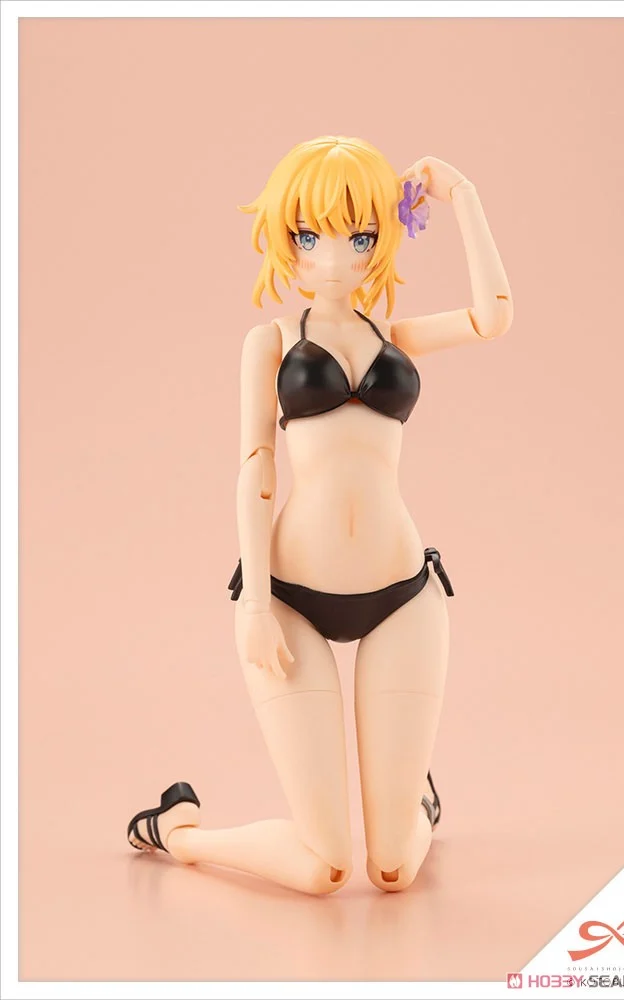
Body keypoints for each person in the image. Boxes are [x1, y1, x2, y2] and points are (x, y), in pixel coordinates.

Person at [127, 136, 513, 895]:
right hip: (292, 599)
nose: (334, 258)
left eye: (359, 236)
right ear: (283, 236)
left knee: (392, 869)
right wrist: (255, 603)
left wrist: (462, 194)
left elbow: (491, 318)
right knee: (323, 866)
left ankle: (417, 807)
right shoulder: (271, 341)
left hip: (403, 592)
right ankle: (179, 832)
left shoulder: (394, 336)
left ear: (383, 238)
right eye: (310, 236)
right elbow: (255, 469)